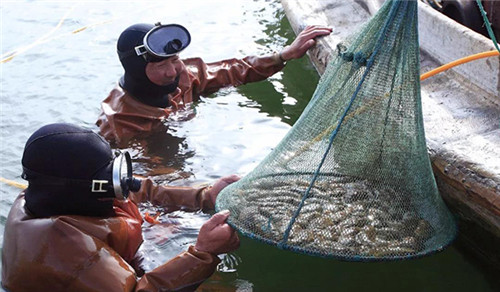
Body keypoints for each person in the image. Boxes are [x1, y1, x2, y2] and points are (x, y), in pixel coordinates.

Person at [1, 123, 240, 292]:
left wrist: (204, 196)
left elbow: (137, 189)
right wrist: (202, 254)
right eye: (110, 180)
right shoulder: (65, 250)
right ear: (92, 188)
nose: (121, 183)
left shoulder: (53, 193)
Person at [96, 23, 333, 144]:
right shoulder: (119, 126)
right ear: (137, 72)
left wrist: (282, 56)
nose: (172, 72)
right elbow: (141, 181)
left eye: (175, 60)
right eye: (160, 66)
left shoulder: (185, 75)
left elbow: (233, 71)